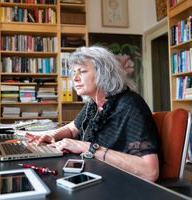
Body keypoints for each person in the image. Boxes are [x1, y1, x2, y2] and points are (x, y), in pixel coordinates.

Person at [27, 46, 159, 182]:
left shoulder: (130, 105)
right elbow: (72, 129)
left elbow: (149, 172)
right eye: (73, 72)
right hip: (97, 174)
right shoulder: (93, 104)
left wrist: (87, 147)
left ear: (104, 74)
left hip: (121, 184)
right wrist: (51, 135)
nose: (75, 78)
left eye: (82, 71)